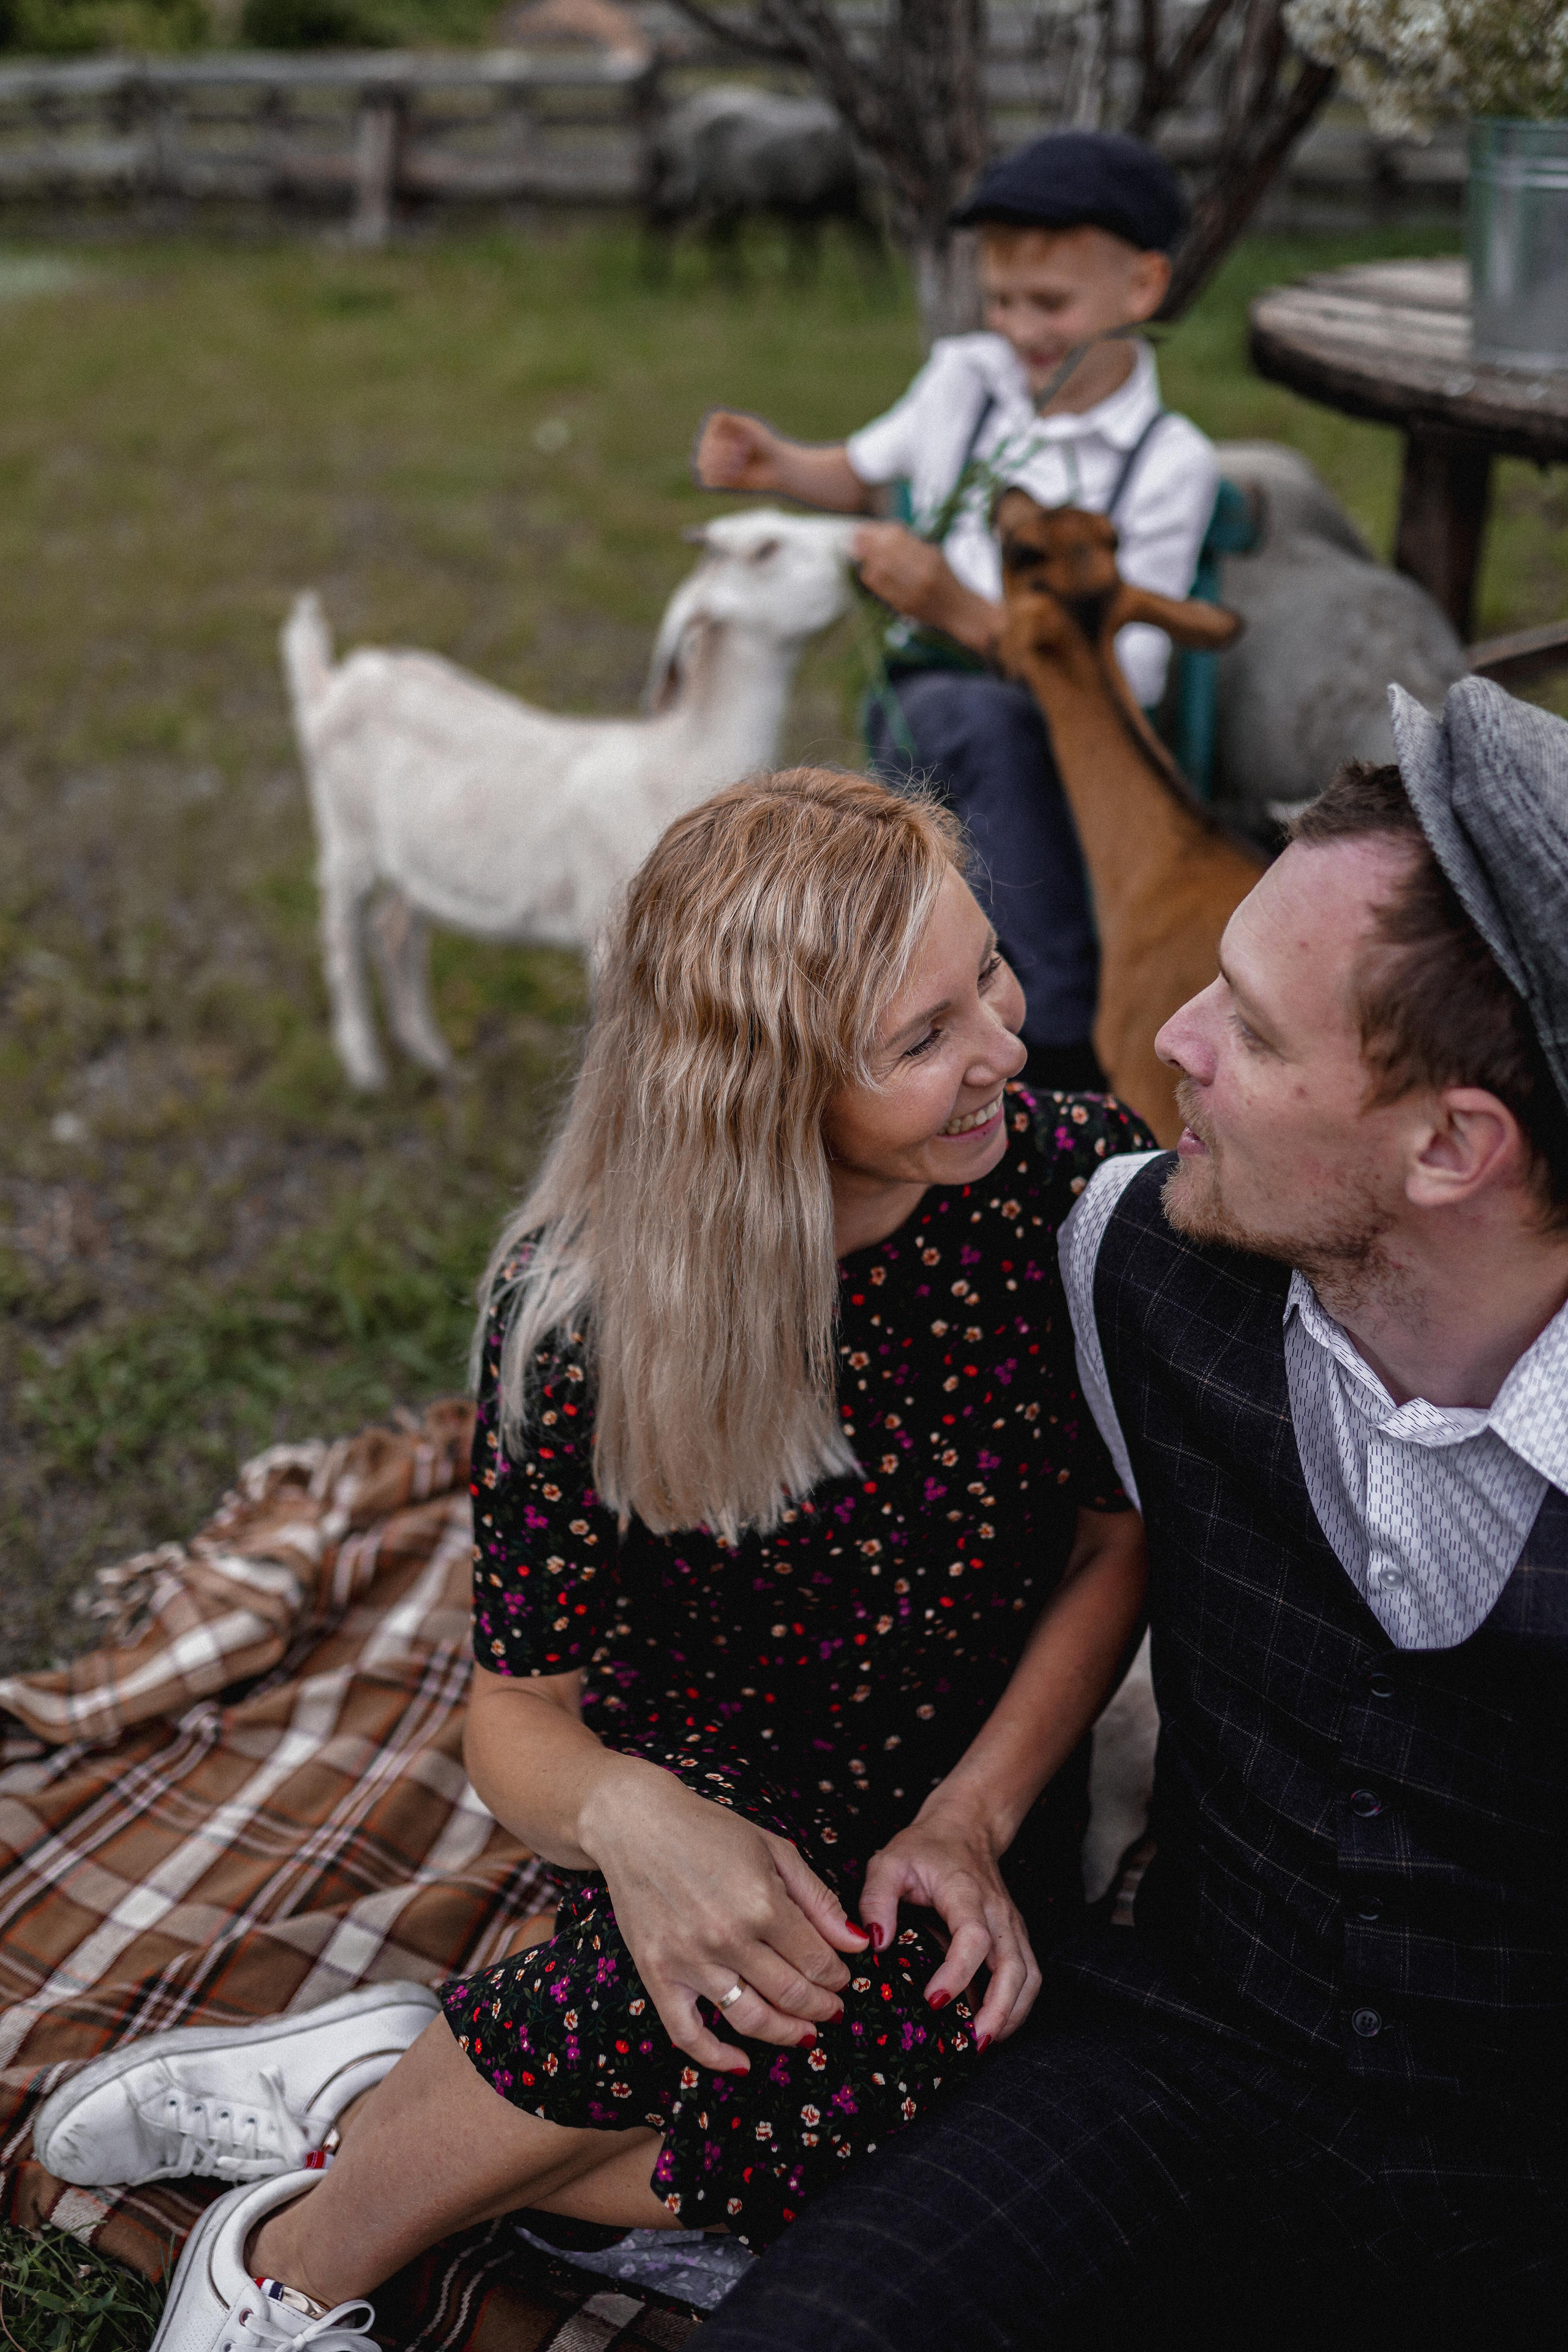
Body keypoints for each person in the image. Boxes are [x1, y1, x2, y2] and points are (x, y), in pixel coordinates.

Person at [37, 767, 1153, 2351]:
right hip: (698, 1804)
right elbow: (520, 1715)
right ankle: (289, 2272)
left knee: (945, 2076)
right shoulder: (587, 1318)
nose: (1007, 1041)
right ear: (764, 1088)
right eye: (924, 1038)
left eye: (987, 969)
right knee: (716, 1987)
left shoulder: (1066, 1189)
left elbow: (1117, 1544)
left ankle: (393, 2091)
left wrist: (972, 1820)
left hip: (954, 1788)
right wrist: (639, 1824)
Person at [678, 676, 1568, 2350]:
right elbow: (752, 1186)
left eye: (1252, 1024)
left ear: (1456, 1144)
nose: (1172, 1042)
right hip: (1180, 2055)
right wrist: (619, 1805)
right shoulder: (1120, 1247)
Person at [693, 129, 1218, 1091]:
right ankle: (961, 1017)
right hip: (924, 699)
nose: (1022, 329)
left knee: (995, 729)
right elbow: (863, 470)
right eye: (1003, 301)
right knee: (962, 737)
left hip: (1074, 743)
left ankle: (1048, 1043)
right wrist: (779, 465)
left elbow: (1128, 680)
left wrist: (961, 606)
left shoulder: (1166, 458)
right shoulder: (966, 384)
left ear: (1142, 291)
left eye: (1051, 304)